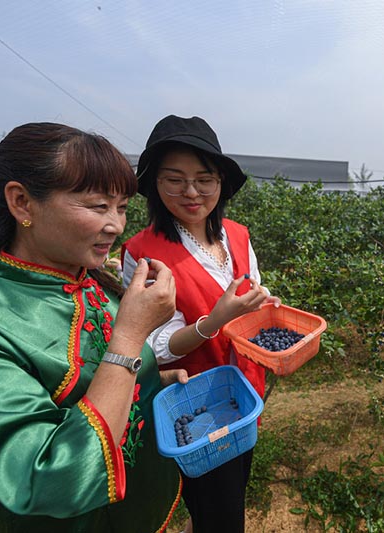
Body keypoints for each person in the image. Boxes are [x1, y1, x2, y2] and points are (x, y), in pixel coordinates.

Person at [0, 122, 188, 532]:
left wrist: (152, 378)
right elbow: (52, 476)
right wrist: (131, 337)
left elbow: (95, 377)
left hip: (141, 507)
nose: (116, 225)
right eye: (98, 206)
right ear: (22, 203)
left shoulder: (92, 281)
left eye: (122, 207)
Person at [122, 115, 280, 532]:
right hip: (195, 406)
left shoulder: (238, 235)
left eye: (204, 179)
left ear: (220, 184)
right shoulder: (143, 254)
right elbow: (150, 346)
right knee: (221, 514)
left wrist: (264, 307)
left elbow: (252, 295)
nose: (191, 192)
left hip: (244, 391)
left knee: (230, 492)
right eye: (174, 179)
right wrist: (216, 320)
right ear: (154, 184)